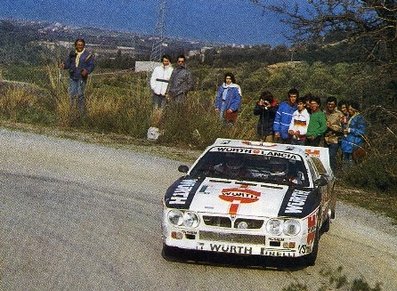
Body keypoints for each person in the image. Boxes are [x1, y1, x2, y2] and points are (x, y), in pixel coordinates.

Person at [60, 38, 95, 116]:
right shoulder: (72, 54)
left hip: (81, 78)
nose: (80, 46)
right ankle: (71, 112)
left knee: (80, 95)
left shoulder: (87, 55)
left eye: (81, 45)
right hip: (73, 77)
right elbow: (68, 63)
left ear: (84, 45)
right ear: (76, 45)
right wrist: (64, 65)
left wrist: (86, 70)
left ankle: (81, 114)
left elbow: (91, 65)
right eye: (78, 45)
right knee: (72, 94)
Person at [341, 101, 366, 165]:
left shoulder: (360, 118)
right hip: (346, 145)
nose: (349, 111)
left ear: (355, 109)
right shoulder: (348, 117)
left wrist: (351, 130)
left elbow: (362, 131)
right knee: (345, 164)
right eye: (348, 109)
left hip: (354, 145)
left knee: (352, 164)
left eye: (350, 109)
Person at [324, 96, 343, 172]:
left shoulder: (339, 114)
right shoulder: (324, 113)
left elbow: (342, 129)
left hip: (334, 140)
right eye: (329, 104)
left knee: (332, 157)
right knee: (326, 158)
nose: (330, 106)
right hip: (325, 139)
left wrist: (331, 127)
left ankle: (334, 173)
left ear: (335, 105)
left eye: (332, 104)